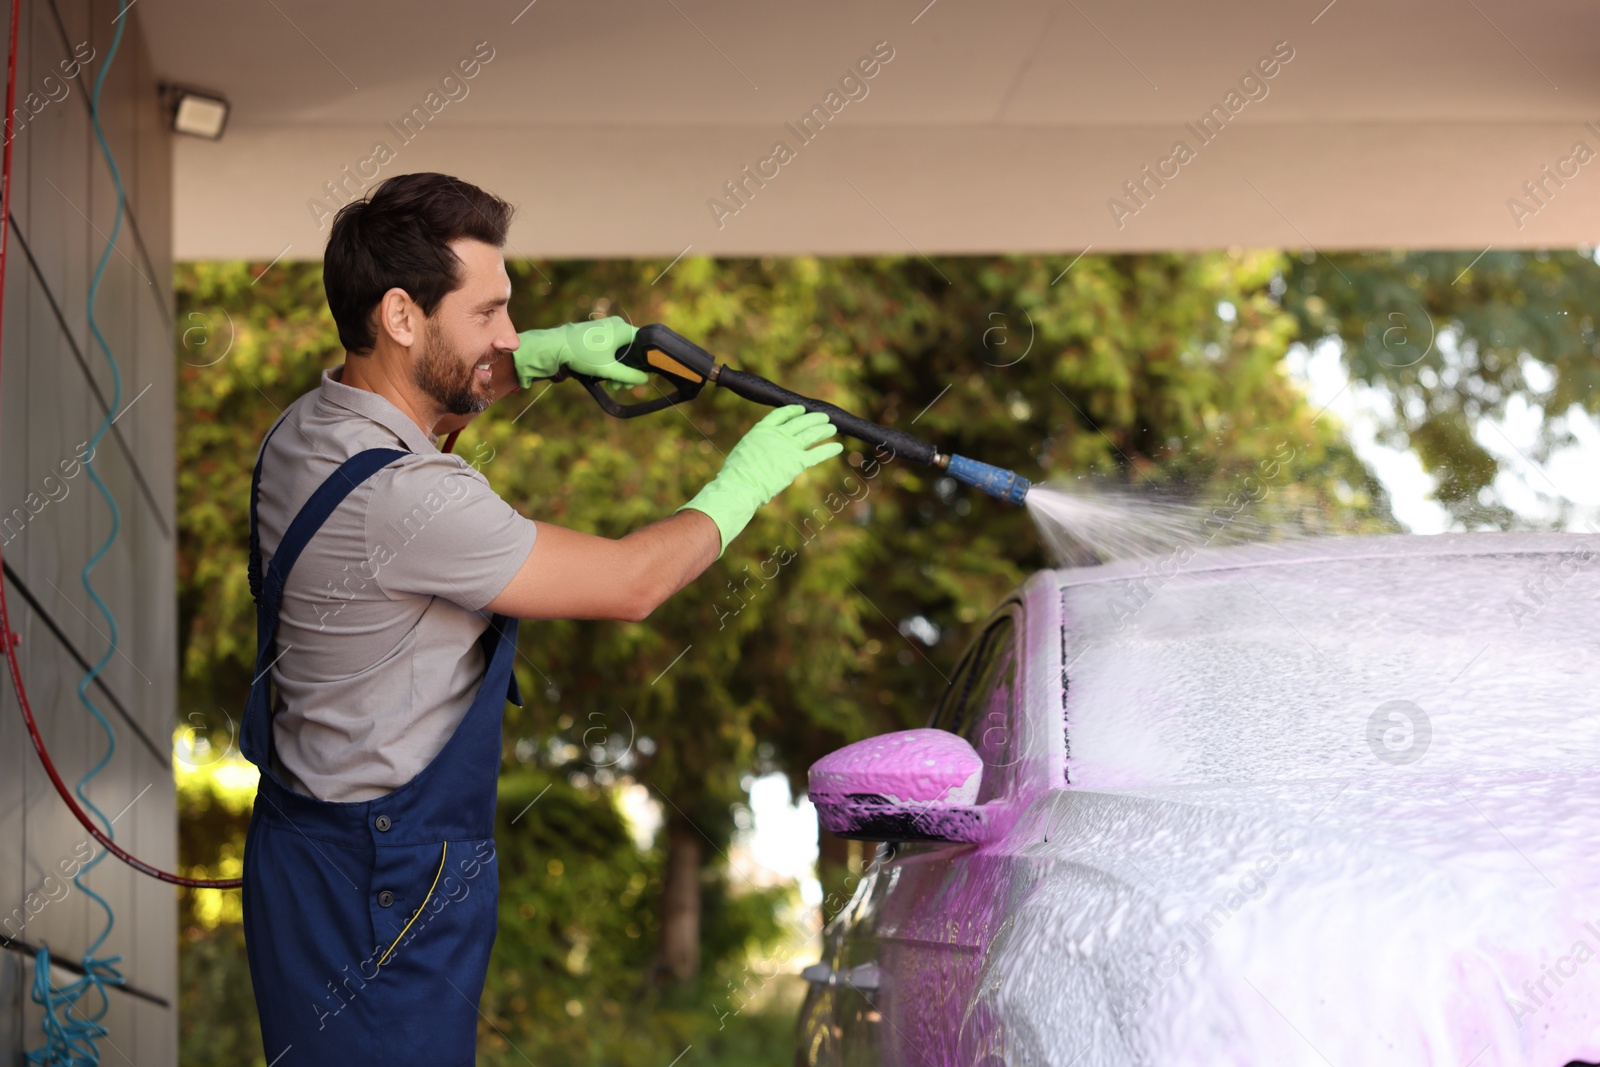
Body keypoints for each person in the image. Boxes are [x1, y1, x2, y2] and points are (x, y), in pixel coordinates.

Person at [239, 171, 840, 1066]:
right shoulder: (415, 502)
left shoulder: (310, 426)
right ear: (401, 315)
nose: (509, 334)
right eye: (489, 314)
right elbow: (632, 583)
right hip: (387, 883)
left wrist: (533, 358)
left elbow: (425, 405)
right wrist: (741, 485)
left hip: (306, 851)